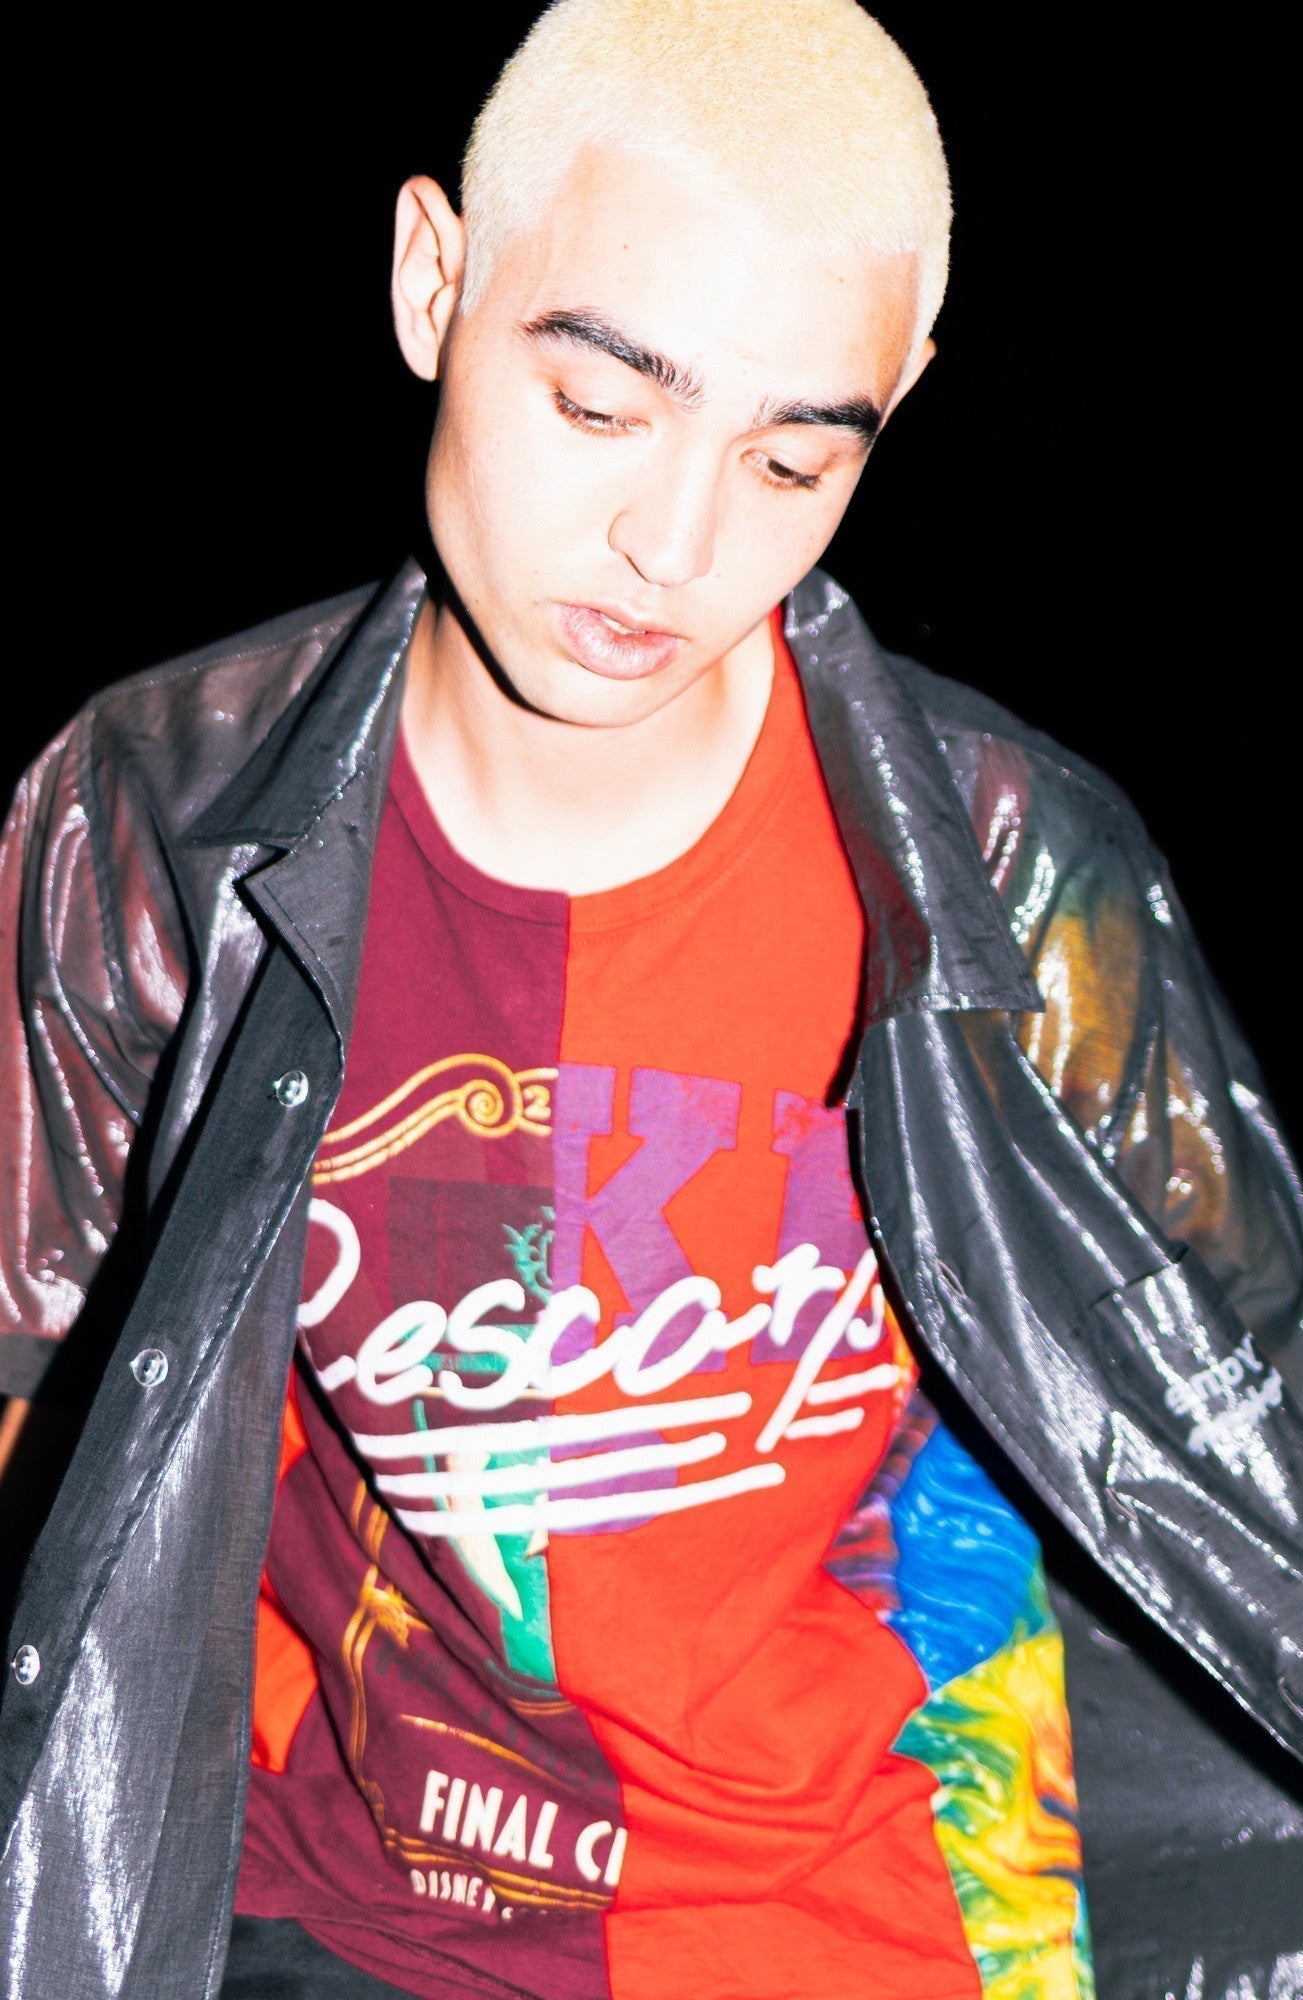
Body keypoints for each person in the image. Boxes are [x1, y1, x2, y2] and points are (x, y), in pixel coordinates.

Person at [1, 3, 1299, 1996]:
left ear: (895, 405)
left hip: (891, 1917)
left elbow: (1244, 1427)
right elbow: (37, 1407)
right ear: (432, 280)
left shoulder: (1013, 870)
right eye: (600, 406)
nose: (673, 545)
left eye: (791, 458)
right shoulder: (155, 816)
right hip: (317, 1915)